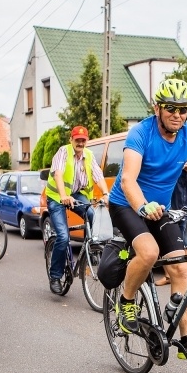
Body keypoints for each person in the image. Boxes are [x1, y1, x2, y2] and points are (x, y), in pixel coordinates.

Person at [107, 78, 187, 359]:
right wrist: (143, 206)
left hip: (161, 209)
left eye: (184, 109)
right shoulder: (140, 133)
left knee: (181, 268)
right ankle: (126, 301)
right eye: (171, 108)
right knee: (149, 252)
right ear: (158, 108)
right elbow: (128, 179)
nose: (177, 114)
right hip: (127, 204)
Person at [45, 125, 110, 294]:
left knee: (92, 214)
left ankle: (91, 248)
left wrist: (105, 193)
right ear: (71, 140)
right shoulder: (63, 152)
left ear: (86, 140)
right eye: (77, 140)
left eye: (83, 140)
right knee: (64, 237)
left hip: (77, 194)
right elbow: (58, 174)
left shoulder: (88, 155)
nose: (80, 143)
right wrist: (63, 196)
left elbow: (98, 175)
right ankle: (55, 276)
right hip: (56, 196)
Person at [154, 154, 187, 286]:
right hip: (168, 209)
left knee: (185, 243)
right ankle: (169, 277)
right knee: (164, 242)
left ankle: (186, 278)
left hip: (184, 211)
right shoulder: (171, 162)